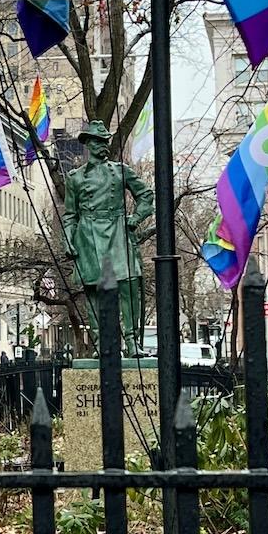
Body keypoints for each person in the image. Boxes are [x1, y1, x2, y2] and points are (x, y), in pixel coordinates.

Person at [62, 120, 155, 357]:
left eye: (106, 141)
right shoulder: (75, 178)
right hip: (89, 236)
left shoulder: (121, 170)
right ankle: (101, 343)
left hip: (118, 232)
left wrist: (135, 217)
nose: (104, 145)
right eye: (99, 141)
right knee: (93, 292)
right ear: (88, 144)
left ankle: (132, 342)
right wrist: (68, 239)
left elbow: (146, 195)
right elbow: (70, 215)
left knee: (130, 286)